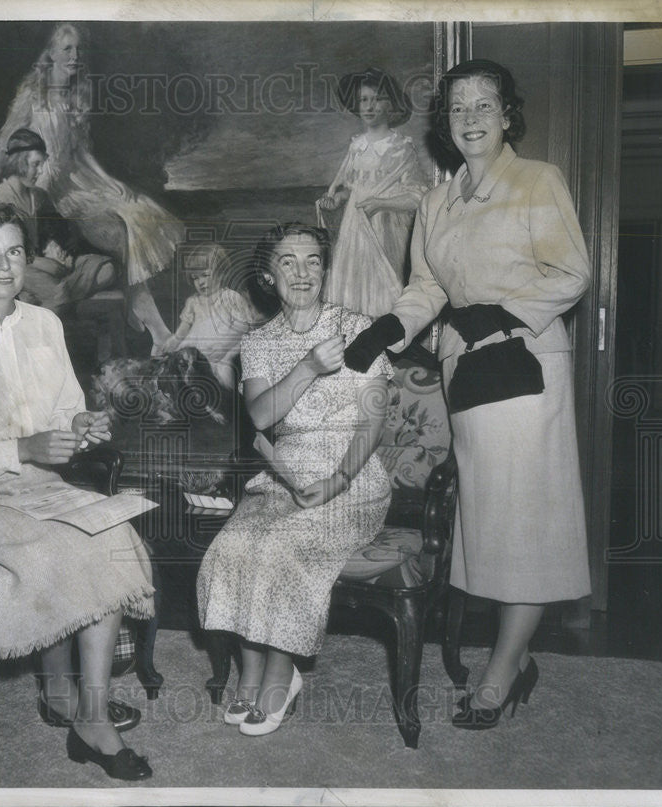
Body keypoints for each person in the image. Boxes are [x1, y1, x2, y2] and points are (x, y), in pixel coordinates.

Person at [345, 59, 592, 730]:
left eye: (486, 104)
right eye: (459, 108)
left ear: (508, 114)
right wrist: (387, 330)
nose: (473, 116)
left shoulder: (538, 180)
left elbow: (572, 270)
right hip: (467, 374)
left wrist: (501, 313)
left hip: (524, 368)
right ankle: (516, 657)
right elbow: (426, 286)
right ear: (446, 124)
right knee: (488, 527)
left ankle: (502, 674)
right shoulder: (437, 200)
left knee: (526, 530)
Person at [0, 203, 155, 780]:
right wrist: (21, 449)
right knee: (60, 548)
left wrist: (81, 427)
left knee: (113, 533)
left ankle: (83, 708)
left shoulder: (45, 326)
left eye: (15, 251)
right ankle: (76, 706)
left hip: (41, 488)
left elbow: (65, 410)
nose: (3, 264)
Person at [196, 223, 393, 736]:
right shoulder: (258, 343)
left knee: (283, 543)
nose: (302, 273)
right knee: (236, 542)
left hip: (353, 474)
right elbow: (261, 418)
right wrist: (307, 365)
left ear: (326, 270)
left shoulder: (359, 327)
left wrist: (339, 480)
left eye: (312, 261)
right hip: (282, 473)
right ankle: (251, 670)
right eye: (288, 262)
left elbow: (374, 419)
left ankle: (283, 672)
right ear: (268, 275)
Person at [0, 23, 184, 352]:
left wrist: (111, 183)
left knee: (137, 210)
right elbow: (2, 144)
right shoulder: (32, 95)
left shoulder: (76, 95)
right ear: (50, 54)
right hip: (50, 185)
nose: (75, 56)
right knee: (121, 232)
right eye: (67, 49)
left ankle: (149, 322)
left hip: (78, 176)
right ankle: (154, 327)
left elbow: (81, 152)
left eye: (78, 50)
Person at [318, 67, 427, 317]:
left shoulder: (401, 148)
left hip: (385, 229)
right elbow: (351, 188)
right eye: (364, 100)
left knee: (383, 291)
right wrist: (336, 200)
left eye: (378, 99)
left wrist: (381, 203)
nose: (369, 106)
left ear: (391, 105)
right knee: (351, 288)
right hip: (354, 230)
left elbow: (418, 195)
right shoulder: (357, 146)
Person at [0, 127, 116, 311]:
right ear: (19, 162)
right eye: (35, 164)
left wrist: (58, 252)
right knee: (51, 289)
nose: (40, 171)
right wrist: (40, 262)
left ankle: (38, 300)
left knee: (106, 269)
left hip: (45, 264)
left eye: (42, 164)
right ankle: (53, 298)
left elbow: (55, 234)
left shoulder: (40, 197)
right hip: (17, 269)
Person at [157, 242, 263, 388]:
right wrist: (173, 341)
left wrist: (222, 346)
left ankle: (225, 397)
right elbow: (183, 329)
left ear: (222, 272)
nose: (200, 282)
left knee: (225, 368)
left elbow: (241, 326)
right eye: (195, 278)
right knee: (179, 364)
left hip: (226, 343)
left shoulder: (229, 297)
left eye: (205, 275)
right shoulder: (193, 302)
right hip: (196, 345)